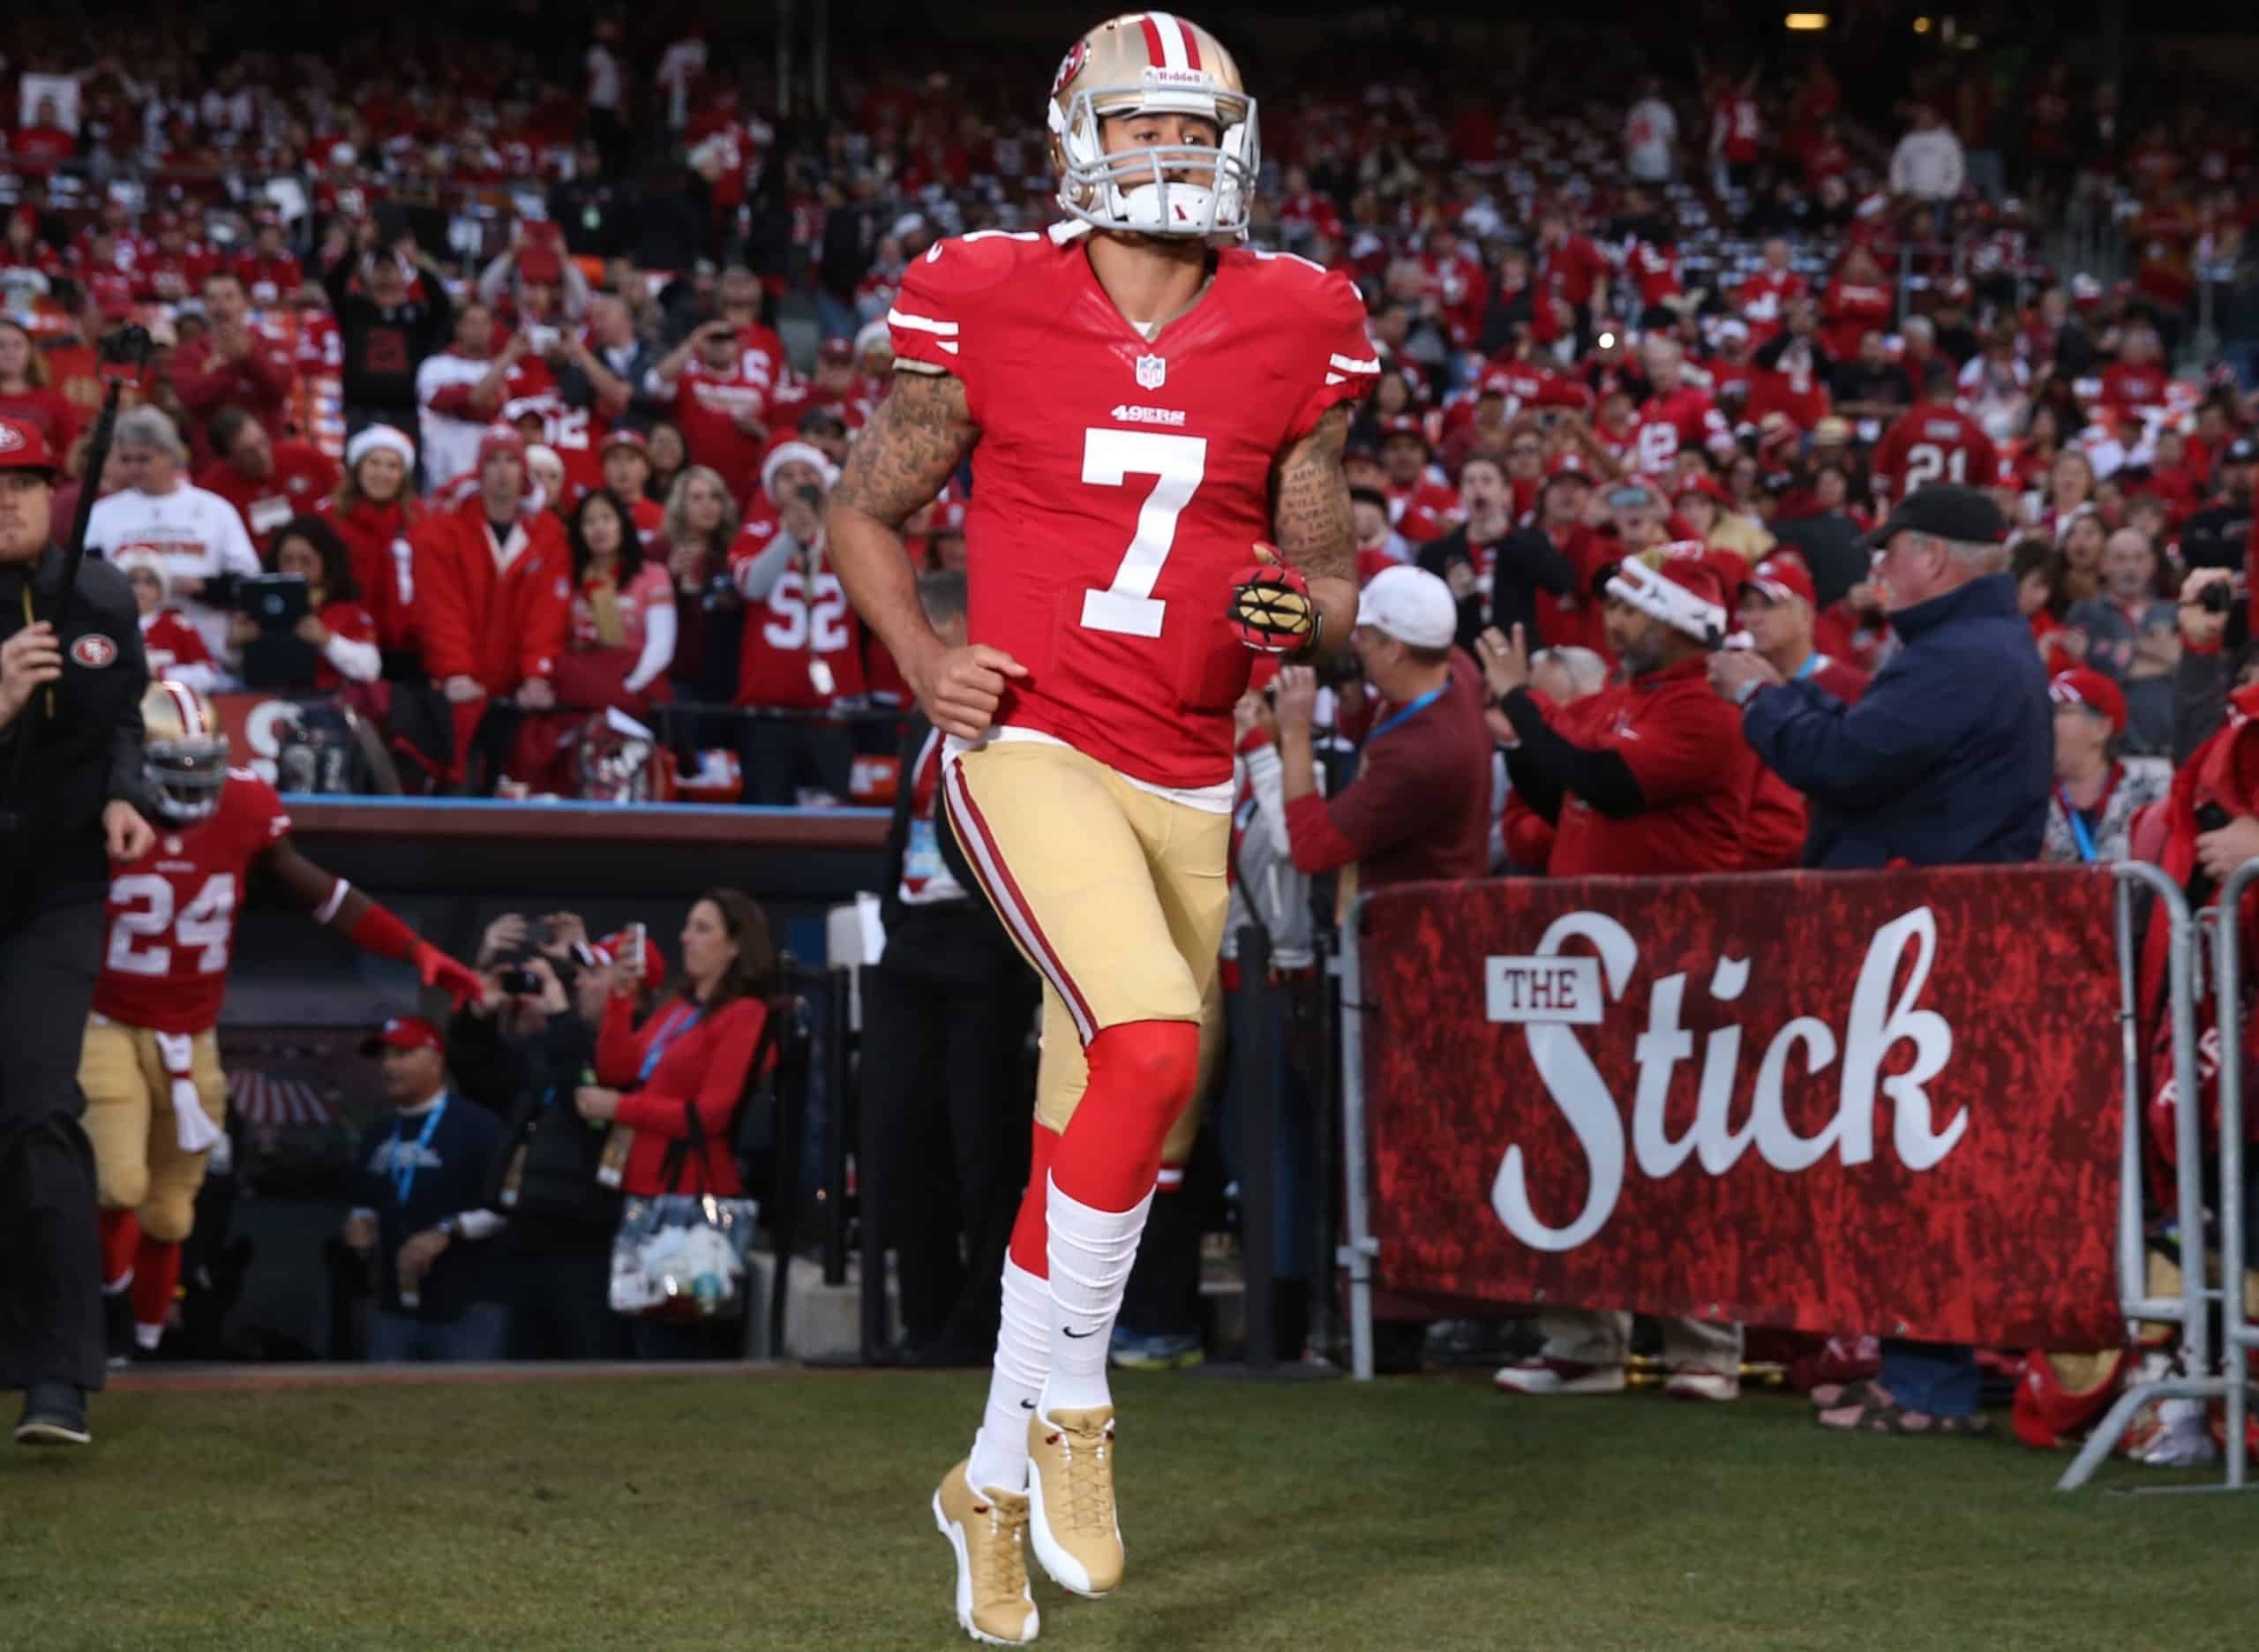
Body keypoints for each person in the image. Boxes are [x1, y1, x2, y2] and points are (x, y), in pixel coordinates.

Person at [826, 16, 1370, 1641]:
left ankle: (985, 1481)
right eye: (1138, 128)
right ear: (1079, 139)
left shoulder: (1300, 317)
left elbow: (1331, 591)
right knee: (1143, 1037)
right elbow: (866, 505)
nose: (1168, 154)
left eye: (1192, 126)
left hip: (1189, 768)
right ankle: (1079, 1412)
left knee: (1120, 1122)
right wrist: (925, 655)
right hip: (1034, 743)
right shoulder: (989, 290)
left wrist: (1295, 613)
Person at [1715, 483, 2047, 1436]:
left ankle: (1929, 1385)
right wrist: (1796, 695)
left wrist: (1760, 702)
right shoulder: (1967, 649)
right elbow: (1871, 749)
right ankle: (1912, 1371)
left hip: (1926, 947)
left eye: (1886, 552)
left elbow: (1850, 765)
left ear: (1933, 558)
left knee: (1919, 1169)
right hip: (1923, 936)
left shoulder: (1957, 658)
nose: (1874, 570)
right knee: (1905, 1167)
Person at [89, 681, 480, 1363]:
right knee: (117, 1182)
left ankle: (144, 1345)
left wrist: (415, 949)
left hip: (193, 1030)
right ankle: (109, 1307)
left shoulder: (243, 805)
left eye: (200, 766)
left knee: (173, 1213)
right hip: (109, 1019)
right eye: (173, 769)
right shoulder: (99, 805)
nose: (191, 785)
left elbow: (320, 894)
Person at [1481, 544, 1755, 1400]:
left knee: (1680, 1153)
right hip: (1590, 957)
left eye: (1634, 609)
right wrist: (1520, 720)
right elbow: (1557, 787)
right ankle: (1581, 1342)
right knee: (1570, 1148)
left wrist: (1521, 704)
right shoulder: (1620, 701)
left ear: (1679, 622)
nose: (1615, 620)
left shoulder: (1709, 712)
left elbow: (1606, 782)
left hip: (1677, 963)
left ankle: (1703, 1347)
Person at [0, 417, 158, 1446]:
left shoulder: (97, 593)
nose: (8, 501)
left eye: (24, 483)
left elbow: (124, 718)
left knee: (38, 1107)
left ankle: (60, 1377)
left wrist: (126, 791)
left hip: (55, 888)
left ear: (55, 490)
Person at [864, 571, 1042, 1366]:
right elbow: (905, 825)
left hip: (985, 943)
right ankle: (925, 1318)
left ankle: (983, 1328)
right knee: (904, 1131)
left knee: (985, 1140)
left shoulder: (1021, 720)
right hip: (913, 945)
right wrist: (895, 917)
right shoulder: (919, 723)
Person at [573, 890, 776, 1361]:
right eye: (687, 926)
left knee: (682, 1341)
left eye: (703, 928)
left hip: (693, 1196)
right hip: (646, 1192)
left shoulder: (745, 1013)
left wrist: (619, 1108)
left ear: (737, 945)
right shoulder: (679, 1006)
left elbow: (712, 1115)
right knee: (644, 1334)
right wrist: (621, 1000)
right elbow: (619, 1068)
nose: (686, 938)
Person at [448, 917, 634, 1361]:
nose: (581, 984)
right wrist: (479, 1008)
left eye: (592, 974)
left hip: (590, 1245)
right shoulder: (546, 1057)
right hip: (529, 1238)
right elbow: (476, 1072)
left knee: (590, 1376)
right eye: (580, 975)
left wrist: (558, 1012)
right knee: (525, 1379)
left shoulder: (627, 1050)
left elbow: (585, 1100)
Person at [1271, 567, 1491, 885]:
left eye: (1365, 636)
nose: (1355, 645)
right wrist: (1356, 704)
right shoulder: (1454, 667)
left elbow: (1310, 847)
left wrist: (1294, 734)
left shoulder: (1417, 757)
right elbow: (1395, 723)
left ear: (1394, 651)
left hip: (1412, 922)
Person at [410, 430, 572, 792]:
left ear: (524, 472)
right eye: (494, 461)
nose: (502, 471)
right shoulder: (441, 531)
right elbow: (440, 609)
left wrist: (536, 674)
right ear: (479, 471)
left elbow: (546, 614)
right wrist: (455, 671)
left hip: (515, 689)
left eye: (511, 460)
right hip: (456, 691)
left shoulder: (549, 533)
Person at [342, 1017, 509, 1363]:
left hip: (467, 1303)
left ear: (435, 1062)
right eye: (385, 1056)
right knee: (387, 1405)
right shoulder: (378, 1131)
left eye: (402, 1054)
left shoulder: (480, 1127)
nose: (389, 1066)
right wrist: (360, 1223)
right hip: (393, 1304)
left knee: (468, 1408)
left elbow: (506, 1209)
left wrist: (446, 1231)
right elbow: (363, 1199)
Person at [83, 408, 263, 669]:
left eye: (143, 459)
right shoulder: (103, 514)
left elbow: (249, 581)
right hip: (128, 649)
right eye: (126, 459)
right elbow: (89, 581)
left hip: (208, 649)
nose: (134, 468)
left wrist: (201, 586)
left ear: (170, 454)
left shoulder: (214, 509)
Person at [732, 440, 861, 804]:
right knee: (767, 809)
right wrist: (788, 538)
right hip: (769, 702)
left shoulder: (849, 534)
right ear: (770, 487)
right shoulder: (757, 533)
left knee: (830, 814)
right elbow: (752, 586)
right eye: (786, 476)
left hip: (832, 702)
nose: (798, 482)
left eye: (808, 474)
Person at [321, 222, 459, 441]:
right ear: (367, 276)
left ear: (404, 276)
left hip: (406, 413)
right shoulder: (356, 311)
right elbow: (333, 284)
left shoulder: (418, 316)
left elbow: (443, 307)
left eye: (391, 267)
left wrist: (415, 260)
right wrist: (358, 247)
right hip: (361, 411)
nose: (385, 273)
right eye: (379, 267)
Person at [228, 516, 381, 692]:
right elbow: (234, 671)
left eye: (306, 561)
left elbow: (370, 670)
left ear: (325, 562)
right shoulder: (259, 607)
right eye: (287, 560)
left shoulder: (346, 612)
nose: (296, 568)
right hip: (265, 703)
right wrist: (234, 645)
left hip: (327, 705)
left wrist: (326, 640)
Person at [559, 488, 675, 714]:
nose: (599, 528)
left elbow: (661, 647)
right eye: (589, 522)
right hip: (581, 694)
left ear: (622, 524)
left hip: (637, 689)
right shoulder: (569, 580)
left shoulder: (652, 575)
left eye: (606, 518)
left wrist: (627, 687)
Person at [2066, 528, 2179, 757]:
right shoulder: (2085, 613)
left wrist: (2121, 648)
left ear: (2152, 564)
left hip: (2171, 751)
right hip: (2112, 754)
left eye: (2139, 558)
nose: (2130, 567)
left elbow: (2185, 663)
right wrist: (2163, 657)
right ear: (2104, 564)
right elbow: (2102, 673)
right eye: (2120, 558)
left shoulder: (2173, 612)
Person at [2042, 667, 2172, 864]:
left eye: (2062, 711)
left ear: (2102, 728)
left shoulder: (2155, 787)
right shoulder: (2029, 798)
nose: (2046, 722)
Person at [316, 425, 421, 668]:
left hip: (407, 647)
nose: (383, 473)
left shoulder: (420, 521)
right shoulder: (328, 518)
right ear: (358, 468)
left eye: (393, 466)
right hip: (348, 643)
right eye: (374, 463)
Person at [169, 271, 296, 468]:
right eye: (212, 298)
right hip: (212, 464)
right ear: (205, 306)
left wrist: (249, 359)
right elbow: (190, 397)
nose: (220, 305)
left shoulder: (272, 344)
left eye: (229, 297)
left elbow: (279, 388)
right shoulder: (188, 352)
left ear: (245, 303)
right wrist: (229, 366)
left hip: (266, 459)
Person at [196, 405, 341, 558]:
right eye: (248, 453)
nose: (262, 455)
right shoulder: (212, 491)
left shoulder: (309, 459)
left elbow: (345, 500)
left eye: (262, 442)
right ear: (229, 460)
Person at [1736, 552, 1869, 702]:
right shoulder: (1736, 685)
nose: (1753, 618)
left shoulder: (1852, 688)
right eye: (1747, 607)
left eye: (1768, 605)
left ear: (1805, 616)